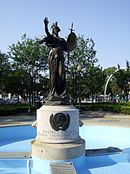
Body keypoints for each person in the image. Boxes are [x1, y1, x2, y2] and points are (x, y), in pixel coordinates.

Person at [40, 17, 68, 100]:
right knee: (54, 75)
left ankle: (62, 92)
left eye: (57, 29)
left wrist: (70, 41)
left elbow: (67, 48)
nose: (56, 30)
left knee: (61, 74)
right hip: (53, 58)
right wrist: (46, 25)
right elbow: (47, 33)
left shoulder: (62, 40)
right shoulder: (52, 38)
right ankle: (54, 91)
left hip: (61, 58)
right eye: (55, 29)